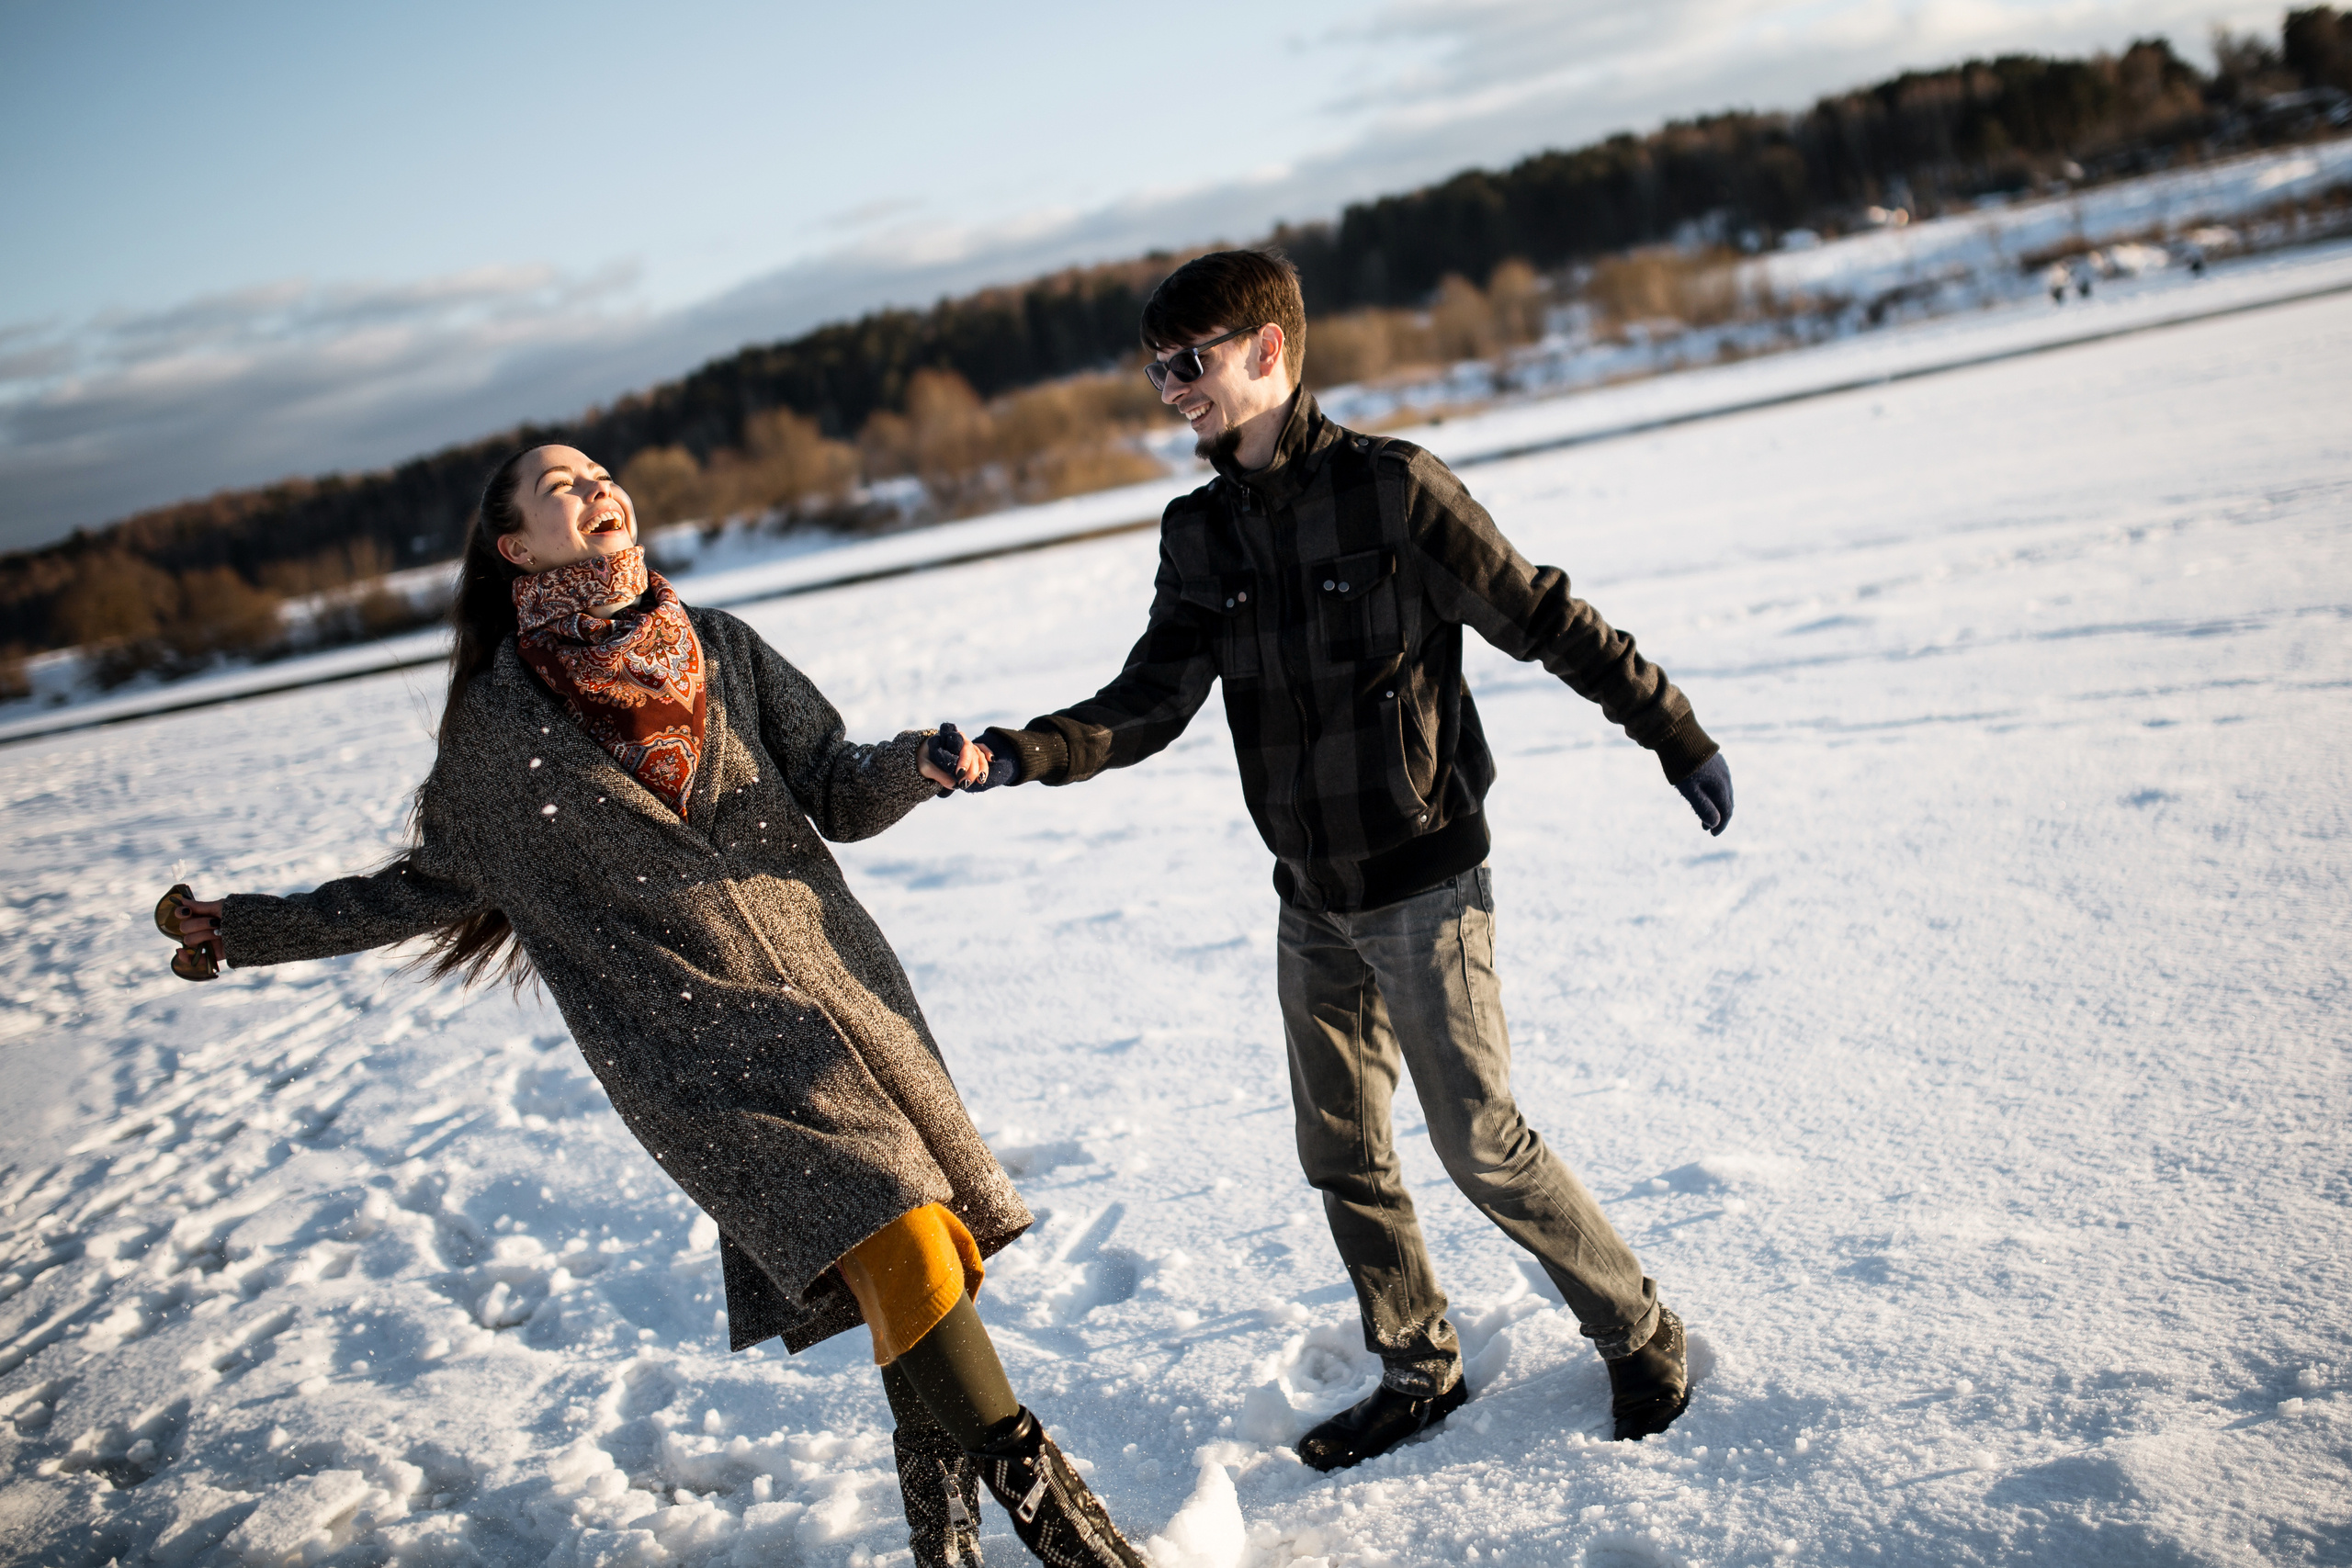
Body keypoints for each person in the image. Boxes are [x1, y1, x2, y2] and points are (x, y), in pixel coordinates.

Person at [151, 446, 1148, 1568]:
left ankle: (942, 1539)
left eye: (600, 472)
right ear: (516, 546)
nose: (597, 487)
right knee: (907, 1236)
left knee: (925, 1262)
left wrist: (916, 764)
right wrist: (252, 928)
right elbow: (428, 885)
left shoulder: (719, 645)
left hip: (840, 996)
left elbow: (830, 783)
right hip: (690, 1048)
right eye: (561, 486)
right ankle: (1066, 1530)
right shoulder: (495, 732)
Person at [958, 251, 1733, 1465]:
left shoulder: (1397, 492)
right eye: (1155, 367)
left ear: (1270, 349)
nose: (1169, 389)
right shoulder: (1201, 532)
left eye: (1189, 360)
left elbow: (1545, 616)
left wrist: (1671, 728)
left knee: (1482, 1141)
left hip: (1426, 880)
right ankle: (1420, 1365)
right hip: (1310, 897)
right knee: (1344, 1153)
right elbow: (1151, 696)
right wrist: (1022, 753)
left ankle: (1640, 1332)